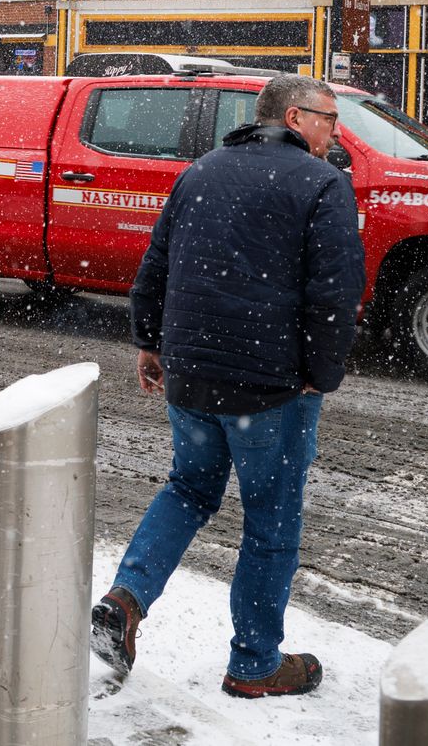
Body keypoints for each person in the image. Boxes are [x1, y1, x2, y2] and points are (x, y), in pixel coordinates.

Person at [91, 74, 364, 699]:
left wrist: (149, 341)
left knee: (188, 489)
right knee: (270, 518)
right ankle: (254, 663)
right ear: (295, 118)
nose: (336, 131)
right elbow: (335, 294)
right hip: (271, 386)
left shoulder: (202, 171)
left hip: (191, 373)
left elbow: (156, 264)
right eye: (329, 117)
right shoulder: (324, 185)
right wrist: (319, 377)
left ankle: (123, 603)